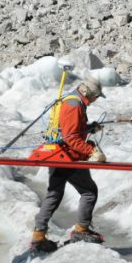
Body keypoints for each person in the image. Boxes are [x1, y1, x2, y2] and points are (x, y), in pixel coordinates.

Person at [30, 77, 108, 253]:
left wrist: (89, 129)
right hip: (68, 156)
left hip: (57, 153)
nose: (95, 100)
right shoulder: (74, 106)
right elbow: (71, 137)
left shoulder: (72, 101)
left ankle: (38, 236)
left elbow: (70, 129)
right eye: (96, 96)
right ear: (88, 93)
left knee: (54, 194)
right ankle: (81, 230)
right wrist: (91, 152)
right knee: (89, 192)